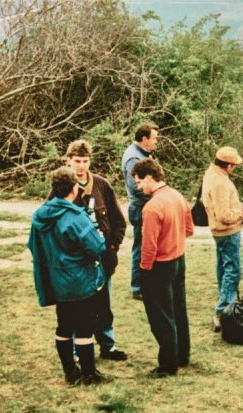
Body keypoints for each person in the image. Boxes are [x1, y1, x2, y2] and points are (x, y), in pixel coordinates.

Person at [28, 167, 112, 386]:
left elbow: (32, 245)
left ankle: (70, 372)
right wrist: (99, 237)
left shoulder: (40, 215)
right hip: (79, 280)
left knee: (64, 325)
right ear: (74, 188)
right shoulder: (75, 216)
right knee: (84, 328)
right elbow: (96, 246)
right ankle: (89, 374)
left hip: (56, 280)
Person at [62, 140, 128, 361]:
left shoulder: (102, 185)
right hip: (77, 262)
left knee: (103, 305)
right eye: (77, 161)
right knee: (76, 306)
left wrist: (112, 246)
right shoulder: (62, 186)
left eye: (85, 161)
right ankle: (76, 350)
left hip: (102, 258)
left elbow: (119, 221)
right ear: (68, 161)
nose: (81, 166)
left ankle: (108, 346)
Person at [132, 159, 193, 378]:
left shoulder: (152, 207)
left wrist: (144, 270)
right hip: (178, 260)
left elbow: (148, 246)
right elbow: (189, 229)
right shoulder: (177, 196)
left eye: (139, 182)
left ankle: (167, 365)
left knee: (161, 316)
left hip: (160, 266)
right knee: (178, 309)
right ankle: (182, 355)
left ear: (149, 177)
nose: (139, 187)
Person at [202, 146, 243, 332]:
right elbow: (224, 215)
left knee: (224, 267)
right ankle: (224, 310)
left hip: (219, 231)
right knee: (233, 270)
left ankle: (225, 304)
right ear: (229, 166)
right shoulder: (221, 183)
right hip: (227, 231)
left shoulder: (211, 174)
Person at [121, 123, 159, 300]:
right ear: (144, 139)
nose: (156, 142)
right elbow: (135, 187)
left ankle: (147, 283)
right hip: (141, 208)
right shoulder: (133, 158)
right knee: (141, 247)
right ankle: (138, 287)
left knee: (149, 246)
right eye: (154, 139)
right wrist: (157, 194)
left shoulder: (143, 154)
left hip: (148, 206)